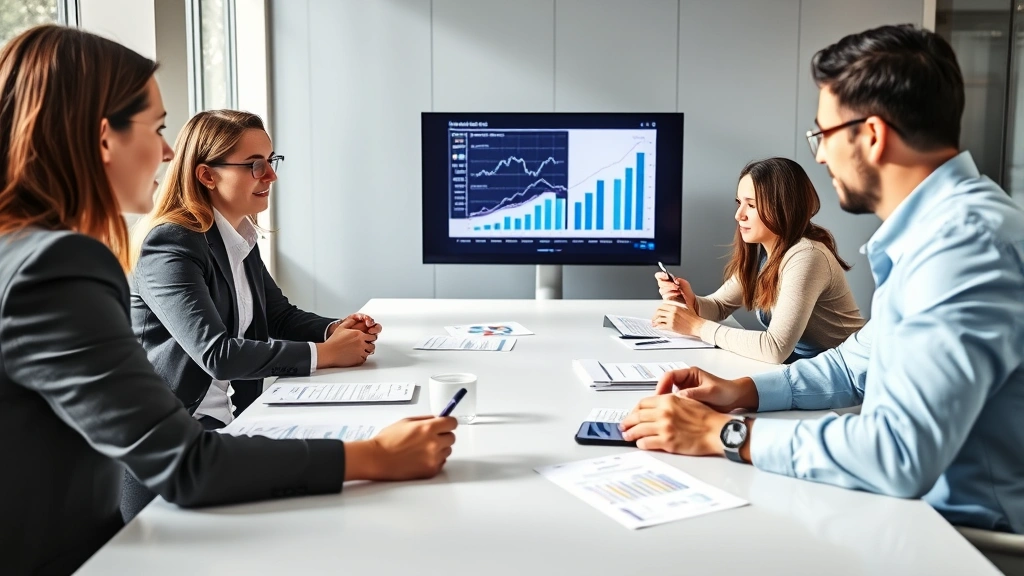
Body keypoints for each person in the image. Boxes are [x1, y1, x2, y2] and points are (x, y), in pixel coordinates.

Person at [0, 25, 456, 575]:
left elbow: (276, 314)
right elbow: (187, 462)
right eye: (157, 128)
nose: (167, 150)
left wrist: (333, 332)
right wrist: (374, 455)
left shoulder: (23, 252)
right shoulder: (59, 265)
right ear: (104, 139)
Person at [622, 24, 1024, 534]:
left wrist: (725, 435)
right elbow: (852, 368)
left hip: (960, 540)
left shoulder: (964, 247)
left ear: (872, 135)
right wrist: (740, 391)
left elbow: (898, 454)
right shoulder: (936, 233)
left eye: (824, 135)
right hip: (914, 514)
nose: (819, 155)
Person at [120, 110, 383, 520]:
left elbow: (279, 316)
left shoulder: (237, 236)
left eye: (271, 161)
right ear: (207, 175)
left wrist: (336, 329)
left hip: (223, 425)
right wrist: (325, 353)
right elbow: (217, 354)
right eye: (255, 165)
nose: (271, 176)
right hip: (174, 447)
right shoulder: (170, 244)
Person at [653, 157, 864, 363]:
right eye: (739, 203)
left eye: (751, 205)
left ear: (783, 207)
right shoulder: (764, 253)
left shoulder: (807, 256)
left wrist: (697, 327)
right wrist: (689, 300)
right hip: (808, 364)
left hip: (848, 371)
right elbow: (719, 306)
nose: (739, 215)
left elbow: (775, 348)